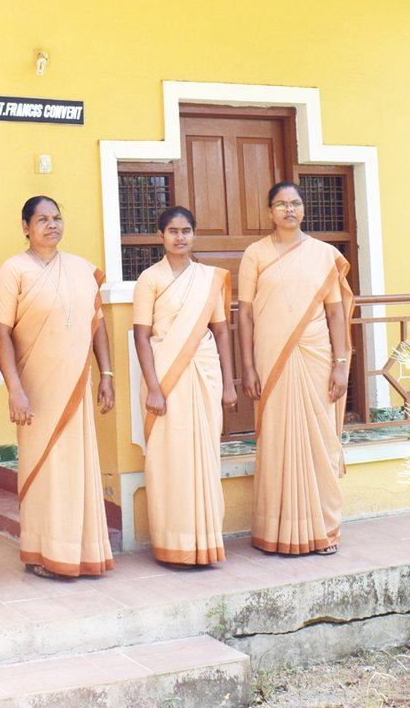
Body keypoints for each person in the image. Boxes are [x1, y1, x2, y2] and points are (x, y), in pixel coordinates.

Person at [0, 195, 116, 578]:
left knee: (77, 466)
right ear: (25, 227)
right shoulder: (14, 271)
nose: (52, 225)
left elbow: (97, 325)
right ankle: (43, 553)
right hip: (36, 391)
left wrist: (107, 375)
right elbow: (0, 332)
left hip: (76, 388)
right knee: (44, 468)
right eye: (42, 219)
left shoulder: (82, 269)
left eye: (57, 218)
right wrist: (14, 389)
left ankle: (82, 551)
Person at [237, 180, 355, 555]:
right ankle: (277, 531)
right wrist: (248, 368)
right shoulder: (255, 254)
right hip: (271, 359)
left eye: (295, 203)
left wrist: (341, 364)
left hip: (317, 357)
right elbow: (245, 315)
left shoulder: (323, 254)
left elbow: (335, 313)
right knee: (276, 439)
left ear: (304, 209)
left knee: (320, 439)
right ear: (269, 212)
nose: (289, 209)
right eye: (281, 204)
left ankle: (323, 529)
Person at [133, 205, 237, 566]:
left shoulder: (208, 279)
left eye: (186, 231)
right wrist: (153, 388)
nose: (180, 237)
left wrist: (228, 383)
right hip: (164, 378)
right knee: (169, 459)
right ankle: (173, 544)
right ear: (160, 236)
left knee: (204, 456)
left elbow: (221, 331)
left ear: (194, 234)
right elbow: (142, 336)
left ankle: (206, 542)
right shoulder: (150, 279)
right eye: (173, 231)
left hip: (204, 374)